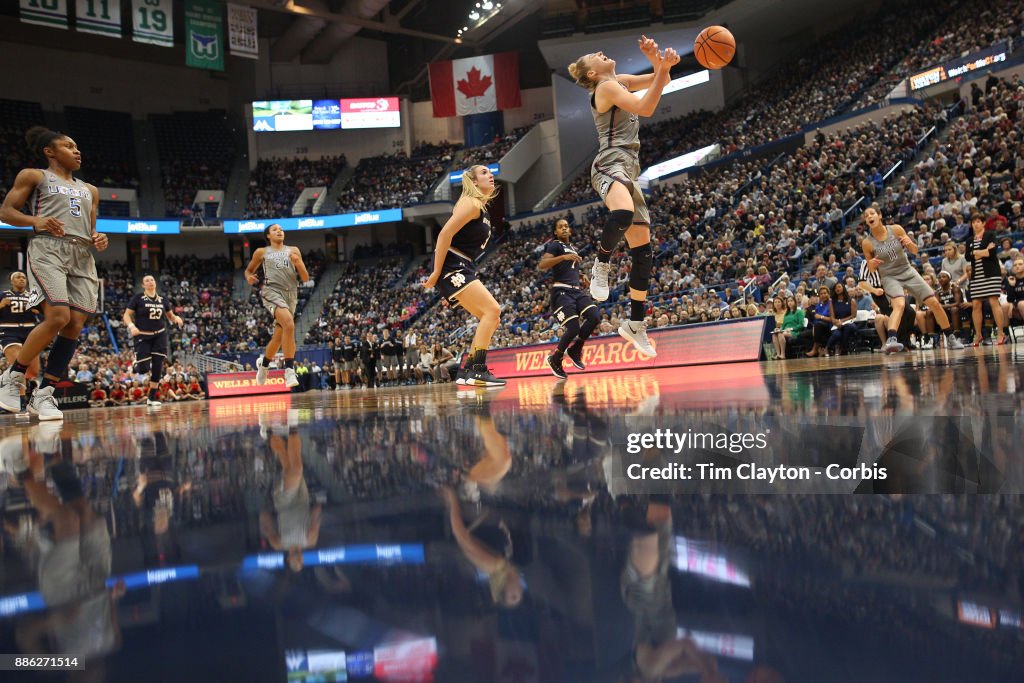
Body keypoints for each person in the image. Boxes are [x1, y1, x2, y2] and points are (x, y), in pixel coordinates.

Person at [568, 36, 680, 358]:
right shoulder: (604, 89)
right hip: (609, 162)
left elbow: (664, 79)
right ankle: (601, 264)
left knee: (644, 253)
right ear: (592, 74)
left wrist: (659, 61)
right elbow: (646, 107)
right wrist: (659, 66)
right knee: (623, 215)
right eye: (597, 56)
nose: (604, 53)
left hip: (630, 168)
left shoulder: (622, 81)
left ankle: (635, 324)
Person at [0, 127, 110, 420]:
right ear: (50, 151)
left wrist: (99, 237)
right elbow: (7, 212)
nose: (77, 151)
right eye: (68, 146)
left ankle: (44, 394)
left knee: (74, 324)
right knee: (58, 316)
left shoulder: (90, 190)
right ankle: (13, 376)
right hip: (49, 248)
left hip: (82, 255)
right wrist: (37, 221)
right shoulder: (34, 176)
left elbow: (91, 228)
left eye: (77, 147)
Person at [422, 165, 505, 387]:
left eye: (491, 172)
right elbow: (444, 234)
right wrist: (437, 271)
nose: (491, 175)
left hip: (464, 264)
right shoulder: (471, 202)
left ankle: (467, 371)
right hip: (451, 263)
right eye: (485, 173)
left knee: (492, 318)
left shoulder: (482, 207)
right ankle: (477, 370)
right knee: (492, 310)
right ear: (474, 181)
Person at [861, 207, 964, 353]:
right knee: (900, 305)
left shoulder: (896, 229)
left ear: (879, 215)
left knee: (934, 302)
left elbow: (915, 251)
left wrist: (910, 244)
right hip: (889, 276)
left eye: (871, 213)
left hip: (907, 270)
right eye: (866, 216)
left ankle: (951, 337)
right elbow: (871, 268)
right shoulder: (867, 243)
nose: (869, 216)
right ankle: (891, 340)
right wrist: (871, 264)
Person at [244, 224, 312, 389]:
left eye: (281, 229)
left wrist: (298, 263)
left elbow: (305, 278)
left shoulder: (293, 250)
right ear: (268, 236)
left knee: (278, 336)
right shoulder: (261, 252)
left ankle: (264, 364)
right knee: (289, 323)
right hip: (271, 291)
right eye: (275, 230)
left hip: (291, 295)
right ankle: (289, 369)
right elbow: (248, 270)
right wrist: (249, 277)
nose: (279, 231)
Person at [539, 219, 601, 378]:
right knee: (573, 328)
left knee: (595, 316)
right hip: (561, 293)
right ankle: (556, 358)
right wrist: (563, 258)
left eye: (566, 226)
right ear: (555, 232)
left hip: (576, 291)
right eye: (560, 227)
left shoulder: (572, 248)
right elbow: (543, 264)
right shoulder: (555, 245)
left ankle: (575, 349)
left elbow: (568, 269)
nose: (565, 228)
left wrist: (581, 276)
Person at [259, 426, 321, 573]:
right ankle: (271, 436)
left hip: (284, 502)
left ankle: (292, 431)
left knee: (297, 468)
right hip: (303, 501)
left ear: (288, 560)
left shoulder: (278, 545)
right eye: (301, 563)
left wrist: (264, 513)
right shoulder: (310, 542)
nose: (299, 560)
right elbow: (316, 516)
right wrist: (317, 512)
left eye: (296, 563)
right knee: (288, 465)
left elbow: (265, 520)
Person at [123, 274, 184, 407]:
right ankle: (135, 364)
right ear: (143, 285)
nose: (150, 282)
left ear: (155, 283)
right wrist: (131, 326)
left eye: (152, 280)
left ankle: (151, 398)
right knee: (143, 369)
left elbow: (170, 315)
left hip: (159, 336)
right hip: (142, 336)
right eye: (147, 281)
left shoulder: (163, 299)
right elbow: (127, 315)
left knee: (158, 367)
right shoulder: (138, 298)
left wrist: (176, 319)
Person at [965, 214, 1009, 346]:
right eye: (973, 222)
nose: (975, 224)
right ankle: (978, 335)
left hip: (991, 274)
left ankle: (1000, 333)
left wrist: (977, 253)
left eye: (978, 221)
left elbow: (992, 252)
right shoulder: (969, 240)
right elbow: (968, 257)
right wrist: (983, 252)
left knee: (993, 301)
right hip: (976, 276)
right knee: (976, 304)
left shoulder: (990, 235)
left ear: (983, 223)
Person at [0, 271, 42, 409]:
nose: (22, 279)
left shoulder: (33, 296)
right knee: (19, 365)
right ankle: (21, 402)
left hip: (30, 331)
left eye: (24, 277)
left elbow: (46, 314)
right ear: (12, 281)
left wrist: (38, 311)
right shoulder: (3, 295)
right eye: (18, 277)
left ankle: (27, 386)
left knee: (34, 371)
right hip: (8, 331)